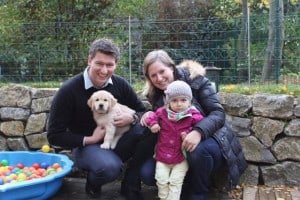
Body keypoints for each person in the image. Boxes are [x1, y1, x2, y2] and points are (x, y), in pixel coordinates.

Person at [139, 50, 247, 200]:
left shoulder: (196, 80)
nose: (159, 78)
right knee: (148, 174)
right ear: (149, 78)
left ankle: (199, 193)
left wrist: (198, 132)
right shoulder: (156, 94)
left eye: (162, 71)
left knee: (195, 150)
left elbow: (218, 113)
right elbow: (160, 118)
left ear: (172, 67)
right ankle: (183, 187)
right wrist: (148, 116)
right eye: (153, 75)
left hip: (211, 139)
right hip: (174, 148)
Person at [47, 38, 146, 200]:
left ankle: (131, 180)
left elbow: (143, 112)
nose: (104, 70)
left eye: (110, 65)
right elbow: (54, 135)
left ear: (116, 65)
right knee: (109, 168)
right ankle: (93, 184)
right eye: (99, 63)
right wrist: (90, 139)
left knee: (146, 127)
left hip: (117, 140)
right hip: (86, 147)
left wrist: (132, 117)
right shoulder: (68, 91)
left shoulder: (120, 84)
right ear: (89, 60)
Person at [144, 80, 204, 200]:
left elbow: (203, 124)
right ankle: (163, 197)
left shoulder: (193, 115)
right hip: (162, 155)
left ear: (189, 101)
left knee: (175, 182)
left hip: (181, 157)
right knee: (161, 180)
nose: (179, 104)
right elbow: (151, 116)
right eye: (174, 100)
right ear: (168, 102)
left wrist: (191, 132)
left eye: (183, 100)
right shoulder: (162, 112)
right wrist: (153, 124)